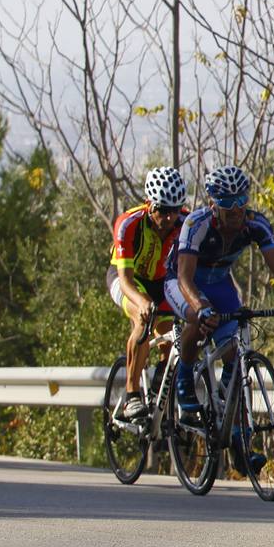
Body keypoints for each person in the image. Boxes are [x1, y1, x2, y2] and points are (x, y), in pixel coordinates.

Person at [166, 165, 274, 472]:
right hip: (184, 282)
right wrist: (201, 307)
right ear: (213, 203)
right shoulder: (197, 223)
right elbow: (184, 277)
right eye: (227, 204)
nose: (236, 211)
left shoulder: (256, 224)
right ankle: (185, 381)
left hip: (219, 283)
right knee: (195, 318)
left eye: (241, 201)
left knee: (236, 356)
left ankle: (239, 439)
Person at [108, 167, 189, 420]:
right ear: (149, 204)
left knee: (171, 334)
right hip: (128, 280)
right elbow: (125, 279)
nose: (169, 217)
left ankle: (159, 386)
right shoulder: (129, 223)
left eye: (175, 211)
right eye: (163, 211)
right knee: (143, 320)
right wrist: (142, 302)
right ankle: (132, 396)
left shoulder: (185, 223)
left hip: (161, 282)